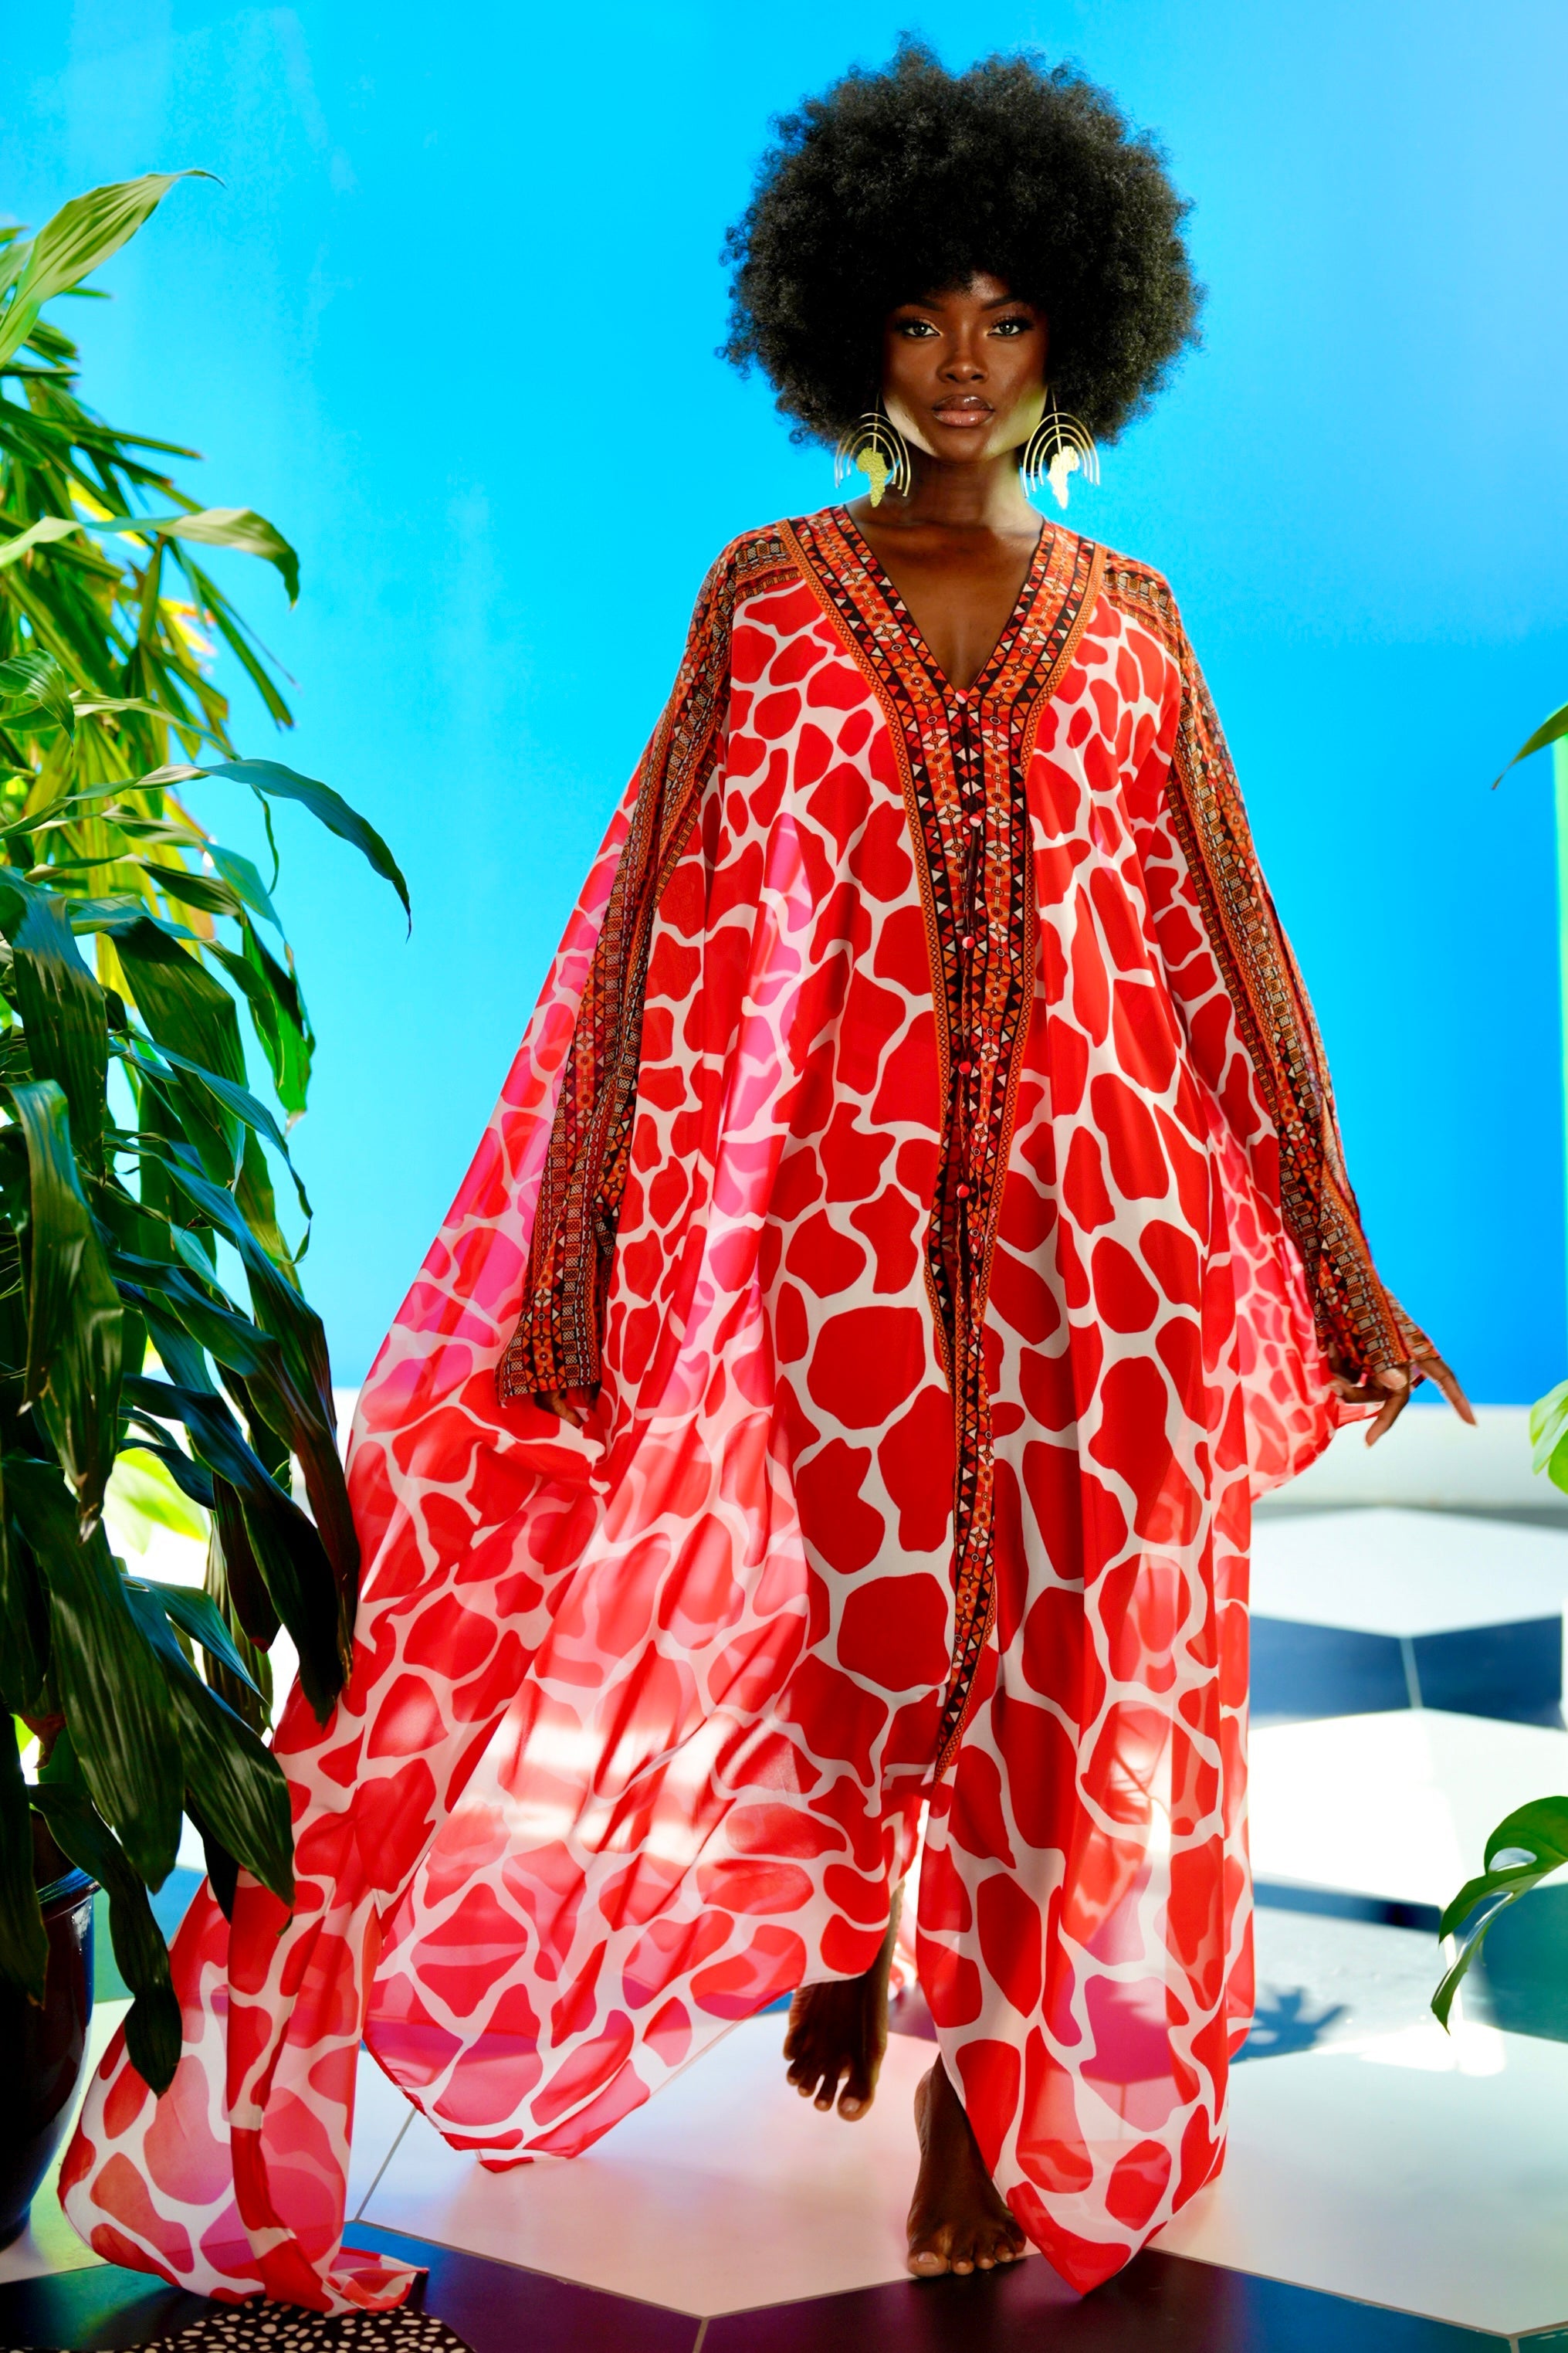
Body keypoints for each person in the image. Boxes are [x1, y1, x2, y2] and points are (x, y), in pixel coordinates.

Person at [62, 41, 1471, 2311]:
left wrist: (1335, 1267)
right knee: (866, 1628)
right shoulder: (768, 599)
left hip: (1107, 1239)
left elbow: (1225, 941)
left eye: (1008, 317)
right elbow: (651, 929)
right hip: (830, 1228)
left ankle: (982, 2087)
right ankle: (847, 1935)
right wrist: (576, 1270)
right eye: (917, 318)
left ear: (1082, 333)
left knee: (1074, 1661)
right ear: (844, 334)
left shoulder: (1140, 623)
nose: (963, 366)